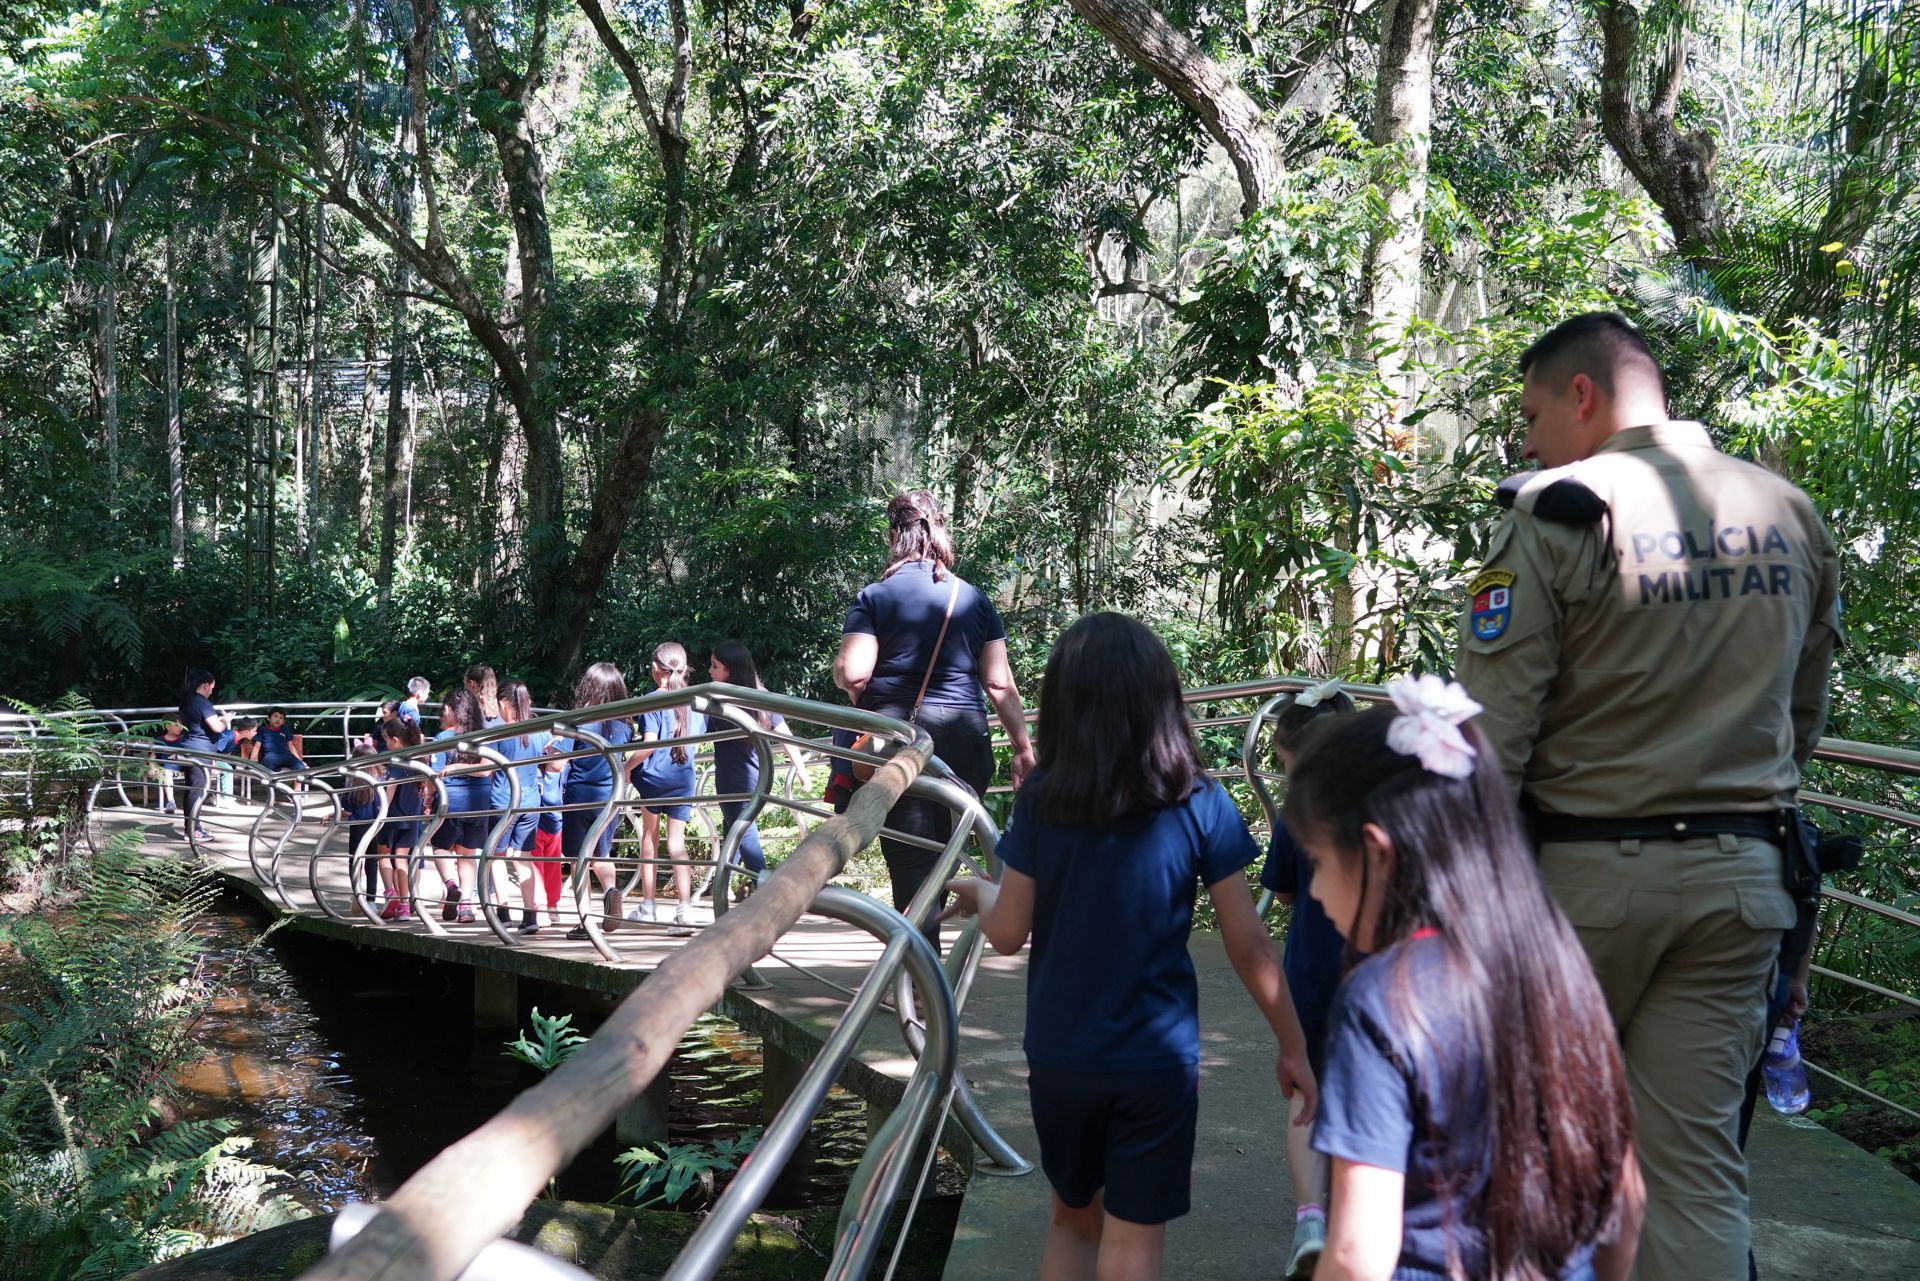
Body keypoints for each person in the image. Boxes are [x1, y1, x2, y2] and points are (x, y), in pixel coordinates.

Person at [1453, 312, 1842, 1280]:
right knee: (1695, 1178)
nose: (1528, 444)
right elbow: (1803, 721)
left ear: (1583, 395)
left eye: (1533, 416)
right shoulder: (1790, 512)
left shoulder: (1558, 513)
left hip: (1580, 893)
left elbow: (1493, 744)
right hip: (1741, 887)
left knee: (1535, 1161)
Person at [943, 613, 1316, 1281]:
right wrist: (1293, 1044)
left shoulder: (1044, 799)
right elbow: (1249, 944)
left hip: (1062, 1057)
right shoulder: (1200, 799)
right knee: (1133, 1240)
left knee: (1071, 1220)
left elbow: (1007, 933)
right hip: (1156, 1060)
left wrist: (980, 890)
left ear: (1065, 703)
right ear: (1162, 699)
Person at [1282, 677, 1643, 1281]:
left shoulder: (1383, 998)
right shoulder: (1559, 964)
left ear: (1377, 852)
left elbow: (1357, 1255)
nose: (1314, 891)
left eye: (1317, 862)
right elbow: (1626, 1202)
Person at [832, 489, 1036, 930]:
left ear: (894, 535)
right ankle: (925, 960)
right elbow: (999, 683)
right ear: (939, 529)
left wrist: (849, 686)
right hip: (965, 740)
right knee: (944, 854)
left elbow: (853, 672)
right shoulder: (974, 599)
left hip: (899, 742)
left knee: (910, 862)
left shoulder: (875, 596)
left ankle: (916, 964)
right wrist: (1023, 748)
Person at [1258, 679, 1355, 1279]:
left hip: (1310, 978)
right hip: (1371, 979)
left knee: (1306, 1094)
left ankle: (1311, 1220)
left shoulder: (1297, 815)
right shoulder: (1386, 805)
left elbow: (1285, 891)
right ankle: (1356, 1221)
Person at [707, 641, 811, 900]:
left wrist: (801, 769)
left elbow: (783, 734)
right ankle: (721, 885)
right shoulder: (758, 695)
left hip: (733, 781)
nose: (709, 671)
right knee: (734, 830)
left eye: (714, 666)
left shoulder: (721, 699)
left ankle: (767, 890)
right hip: (757, 777)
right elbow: (784, 733)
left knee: (743, 832)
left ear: (730, 670)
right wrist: (800, 769)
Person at [627, 642, 707, 937]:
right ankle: (684, 910)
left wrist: (625, 768)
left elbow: (649, 744)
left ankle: (648, 905)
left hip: (654, 780)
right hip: (683, 780)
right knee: (677, 843)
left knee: (649, 836)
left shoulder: (653, 700)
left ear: (654, 668)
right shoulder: (695, 702)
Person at [562, 661, 636, 941]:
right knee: (601, 854)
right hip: (610, 797)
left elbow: (557, 764)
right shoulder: (625, 725)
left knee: (579, 859)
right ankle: (611, 891)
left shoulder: (579, 721)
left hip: (580, 796)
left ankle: (585, 921)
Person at [429, 687, 496, 925]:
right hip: (479, 800)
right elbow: (486, 769)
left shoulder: (442, 739)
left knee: (440, 847)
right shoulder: (482, 736)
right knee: (468, 854)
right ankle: (466, 906)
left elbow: (435, 775)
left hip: (451, 800)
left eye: (443, 709)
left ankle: (451, 886)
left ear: (450, 710)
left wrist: (429, 797)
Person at [497, 679, 559, 935]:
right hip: (531, 801)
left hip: (503, 801)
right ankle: (529, 915)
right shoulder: (540, 732)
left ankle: (502, 914)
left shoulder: (499, 733)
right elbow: (554, 764)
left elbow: (485, 769)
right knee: (523, 858)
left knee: (496, 857)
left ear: (503, 703)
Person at [374, 716, 428, 921]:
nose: (386, 745)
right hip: (411, 818)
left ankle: (390, 892)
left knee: (383, 854)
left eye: (386, 740)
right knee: (402, 860)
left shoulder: (397, 762)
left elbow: (391, 789)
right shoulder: (418, 760)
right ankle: (405, 906)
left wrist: (381, 809)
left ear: (395, 740)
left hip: (393, 817)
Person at [176, 668, 227, 843]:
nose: (212, 690)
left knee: (191, 789)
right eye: (211, 687)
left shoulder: (186, 702)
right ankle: (193, 830)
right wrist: (225, 721)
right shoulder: (203, 703)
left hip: (189, 748)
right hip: (200, 751)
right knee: (198, 791)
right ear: (205, 685)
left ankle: (190, 828)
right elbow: (216, 727)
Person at [256, 708, 309, 773]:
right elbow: (257, 746)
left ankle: (292, 777)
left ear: (283, 722)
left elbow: (291, 746)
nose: (278, 719)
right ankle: (279, 773)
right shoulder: (262, 730)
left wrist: (299, 760)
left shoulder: (285, 729)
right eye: (275, 716)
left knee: (301, 768)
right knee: (267, 768)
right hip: (271, 756)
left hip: (286, 755)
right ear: (268, 718)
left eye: (281, 718)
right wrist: (252, 762)